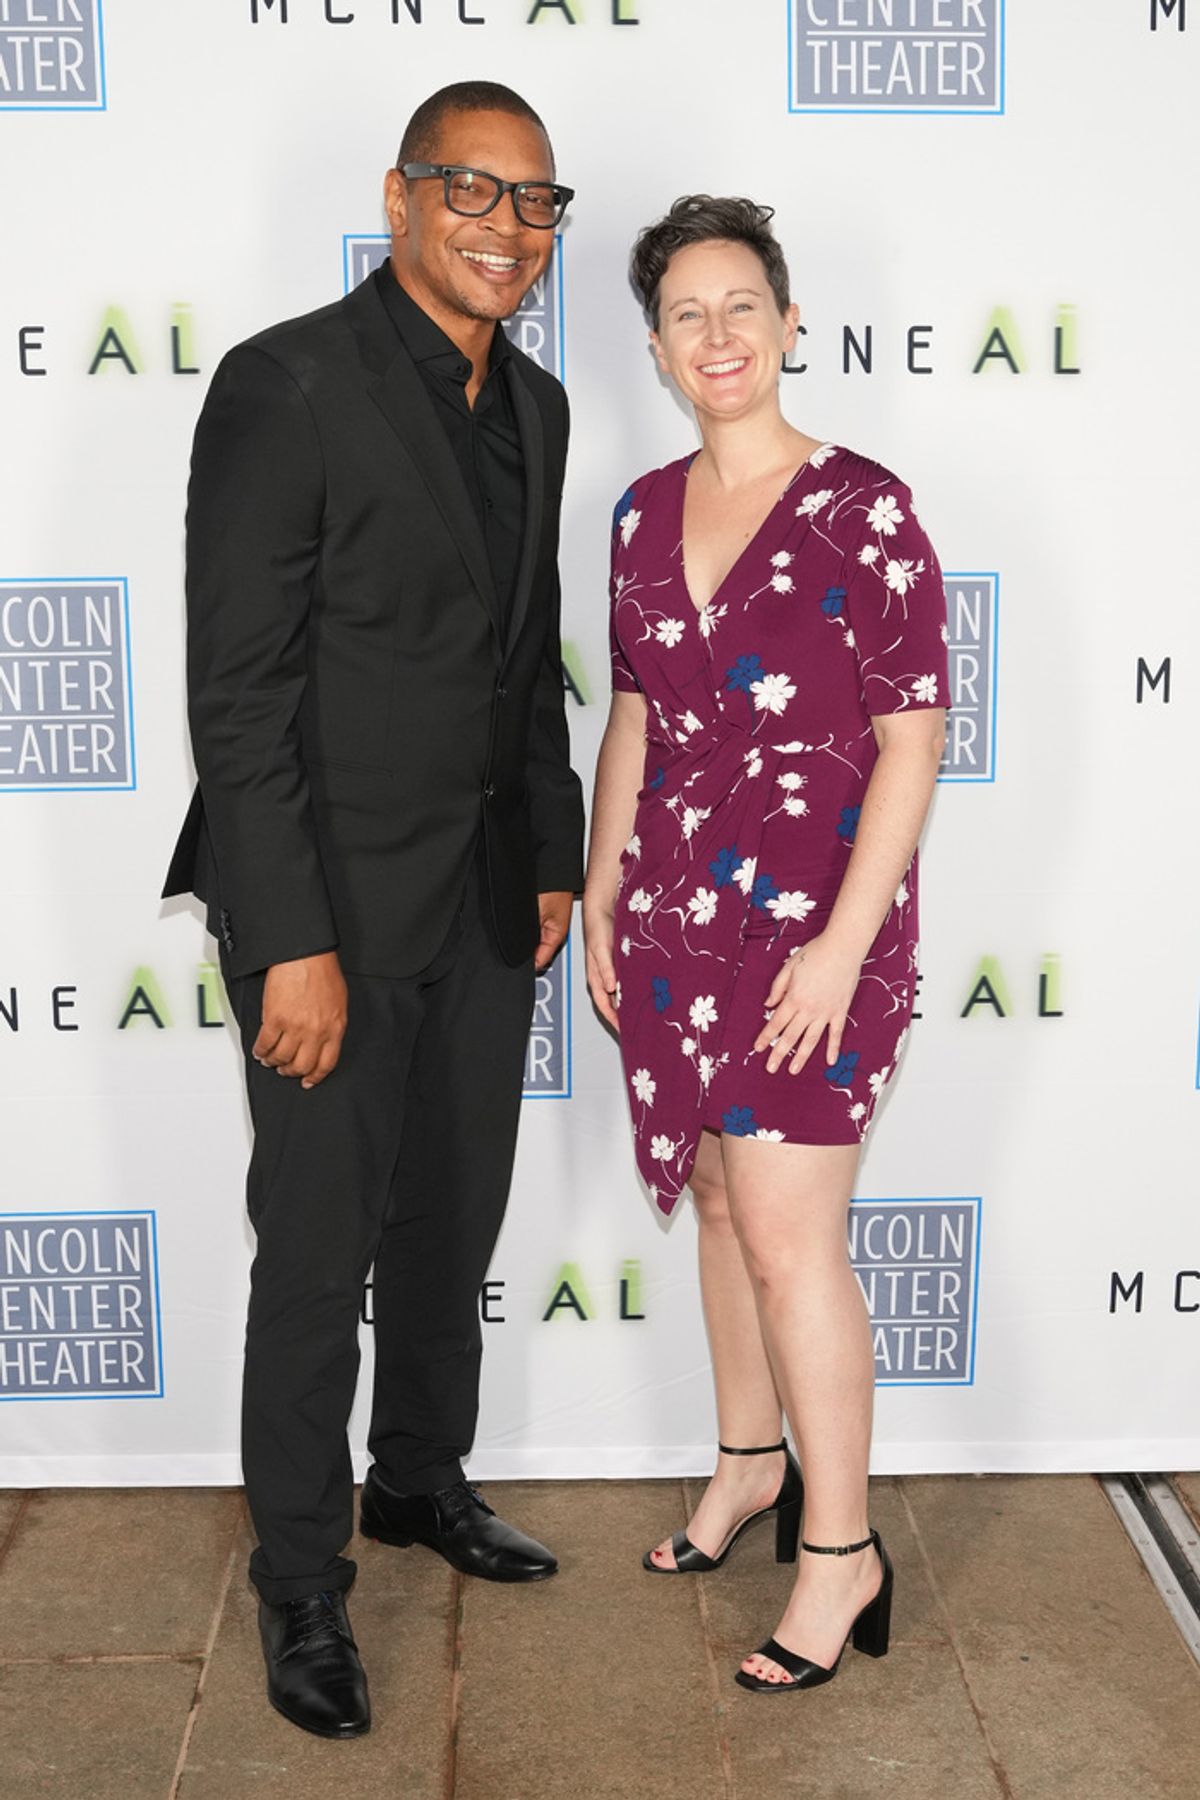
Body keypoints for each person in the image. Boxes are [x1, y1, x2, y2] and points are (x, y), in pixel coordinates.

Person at [163, 82, 583, 1739]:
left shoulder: (539, 404)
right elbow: (239, 690)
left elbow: (525, 660)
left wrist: (549, 850)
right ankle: (300, 1580)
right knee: (317, 1253)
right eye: (471, 190)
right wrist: (288, 940)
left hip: (482, 899)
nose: (506, 228)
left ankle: (419, 1478)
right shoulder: (286, 384)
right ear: (400, 198)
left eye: (534, 201)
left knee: (448, 1225)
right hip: (326, 909)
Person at [584, 196, 948, 1694]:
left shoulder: (866, 507)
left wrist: (845, 948)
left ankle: (841, 1551)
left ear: (792, 325)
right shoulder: (636, 513)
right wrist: (601, 891)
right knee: (726, 1206)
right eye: (687, 313)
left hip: (816, 931)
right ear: (658, 347)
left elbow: (914, 738)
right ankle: (747, 1464)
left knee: (796, 1239)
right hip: (677, 916)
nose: (717, 334)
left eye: (743, 305)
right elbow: (633, 714)